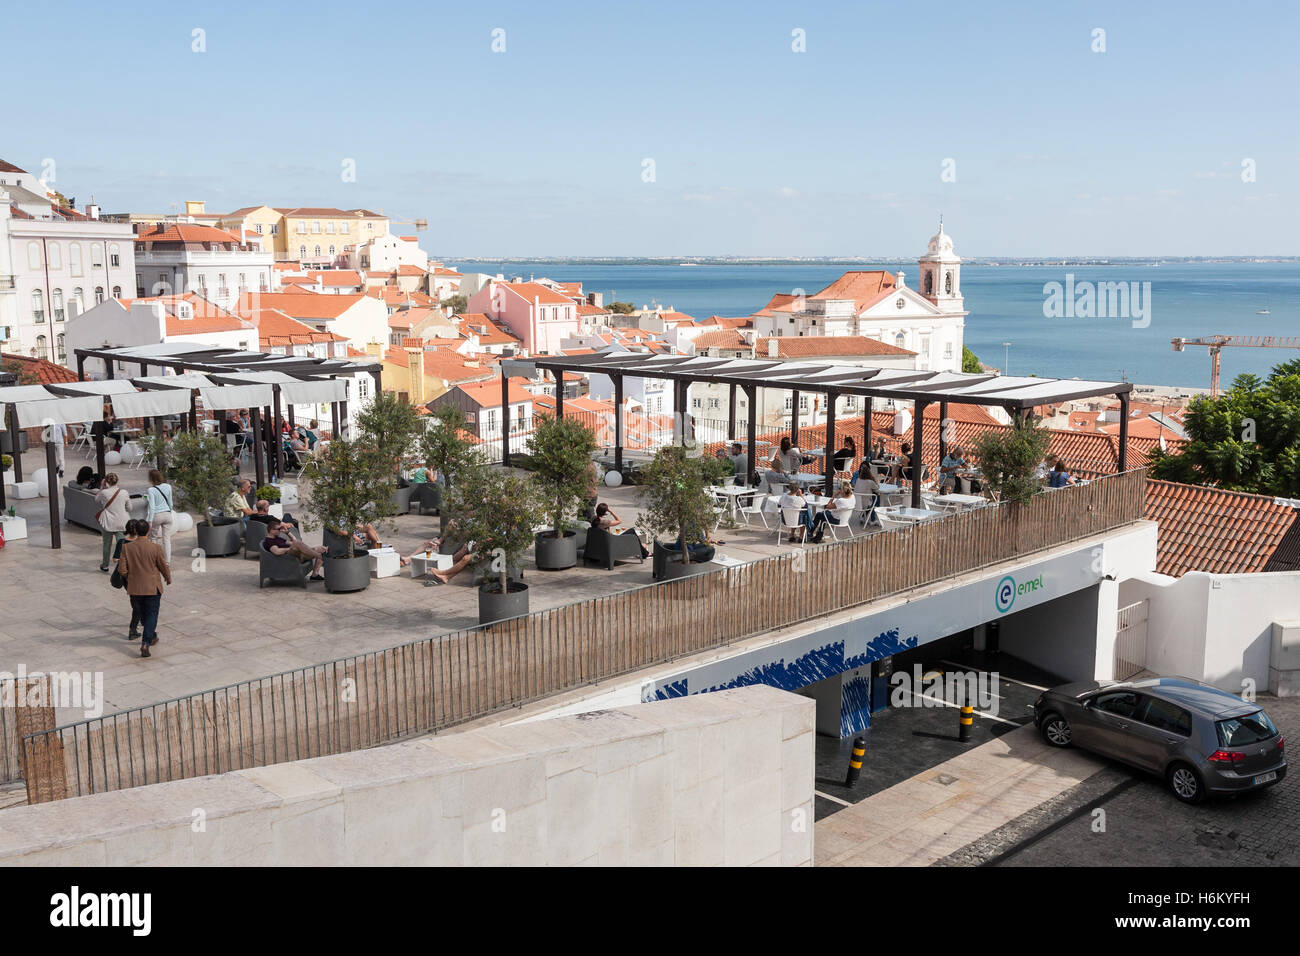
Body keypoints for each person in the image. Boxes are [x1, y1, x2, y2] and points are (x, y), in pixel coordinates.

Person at [117, 518, 172, 658]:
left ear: (136, 530)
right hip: (152, 587)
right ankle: (146, 642)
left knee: (143, 613)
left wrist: (132, 577)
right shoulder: (155, 547)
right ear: (147, 530)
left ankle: (151, 635)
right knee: (152, 614)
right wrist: (168, 577)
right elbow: (162, 565)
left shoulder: (126, 547)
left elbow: (122, 570)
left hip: (135, 588)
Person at [95, 473, 130, 571]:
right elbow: (129, 507)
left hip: (107, 522)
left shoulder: (104, 492)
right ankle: (123, 564)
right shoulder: (124, 492)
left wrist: (101, 487)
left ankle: (105, 565)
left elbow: (96, 499)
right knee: (122, 544)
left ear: (106, 482)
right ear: (117, 480)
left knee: (107, 544)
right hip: (121, 522)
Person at [145, 469, 176, 564]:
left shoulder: (151, 490)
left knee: (153, 538)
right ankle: (167, 561)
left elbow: (152, 506)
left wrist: (150, 521)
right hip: (167, 514)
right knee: (166, 539)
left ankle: (154, 560)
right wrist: (169, 511)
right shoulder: (168, 486)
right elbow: (170, 502)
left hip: (157, 515)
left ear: (150, 479)